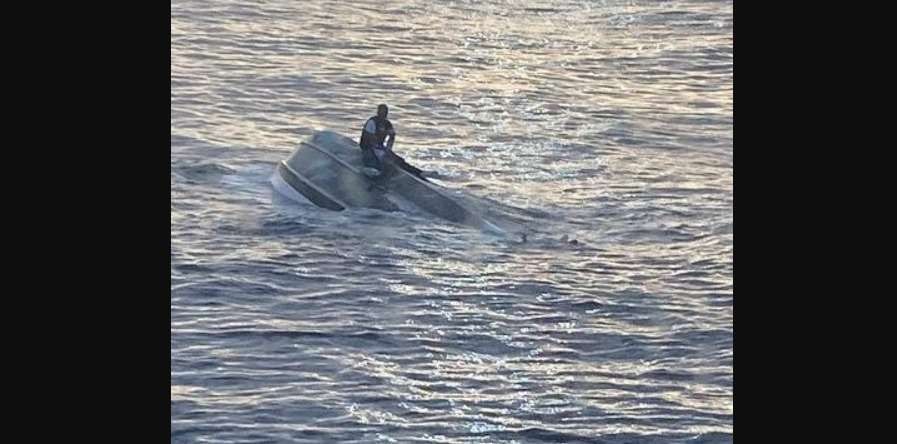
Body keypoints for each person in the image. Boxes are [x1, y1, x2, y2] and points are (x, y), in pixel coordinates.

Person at [358, 104, 425, 182]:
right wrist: (378, 149)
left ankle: (418, 172)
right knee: (373, 160)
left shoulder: (387, 124)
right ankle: (372, 174)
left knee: (398, 160)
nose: (383, 114)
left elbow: (392, 136)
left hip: (379, 147)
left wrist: (388, 148)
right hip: (367, 146)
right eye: (381, 112)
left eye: (385, 112)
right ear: (378, 112)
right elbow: (369, 136)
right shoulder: (372, 121)